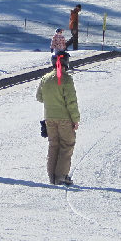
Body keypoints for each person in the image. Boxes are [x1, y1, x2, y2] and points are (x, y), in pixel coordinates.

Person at [36, 51, 81, 186]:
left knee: (53, 145)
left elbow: (39, 97)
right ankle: (61, 175)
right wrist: (75, 119)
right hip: (65, 118)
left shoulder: (45, 78)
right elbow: (71, 102)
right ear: (66, 62)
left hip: (49, 118)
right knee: (66, 145)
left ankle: (52, 177)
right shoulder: (66, 79)